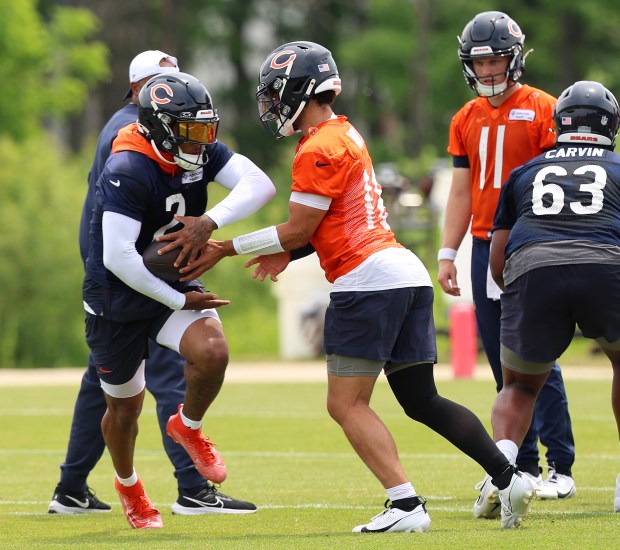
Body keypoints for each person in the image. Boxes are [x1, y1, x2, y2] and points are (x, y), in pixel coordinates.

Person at [171, 40, 535, 531]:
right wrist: (289, 249)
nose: (271, 104)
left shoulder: (317, 145)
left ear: (300, 91)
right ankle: (508, 476)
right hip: (404, 273)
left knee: (345, 403)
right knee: (421, 399)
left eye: (276, 93)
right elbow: (328, 223)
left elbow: (301, 227)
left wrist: (225, 244)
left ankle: (405, 505)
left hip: (367, 282)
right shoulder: (345, 134)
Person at [48, 51, 259, 519]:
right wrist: (180, 296)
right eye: (190, 128)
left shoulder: (190, 143)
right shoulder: (129, 159)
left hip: (162, 272)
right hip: (118, 288)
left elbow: (258, 184)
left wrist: (210, 221)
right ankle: (128, 485)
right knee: (124, 409)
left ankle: (189, 436)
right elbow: (117, 254)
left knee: (210, 353)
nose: (201, 140)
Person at [437, 11, 577, 511]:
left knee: (539, 357)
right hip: (482, 244)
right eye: (480, 61)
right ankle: (520, 462)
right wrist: (447, 252)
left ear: (514, 58)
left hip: (530, 241)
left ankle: (560, 465)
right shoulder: (465, 116)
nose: (489, 70)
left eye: (496, 59)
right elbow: (460, 192)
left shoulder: (543, 108)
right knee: (501, 360)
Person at [489, 80, 620, 515]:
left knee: (520, 385)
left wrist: (516, 295)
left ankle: (505, 476)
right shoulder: (618, 167)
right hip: (608, 264)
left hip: (533, 266)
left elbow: (498, 251)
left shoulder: (526, 171)